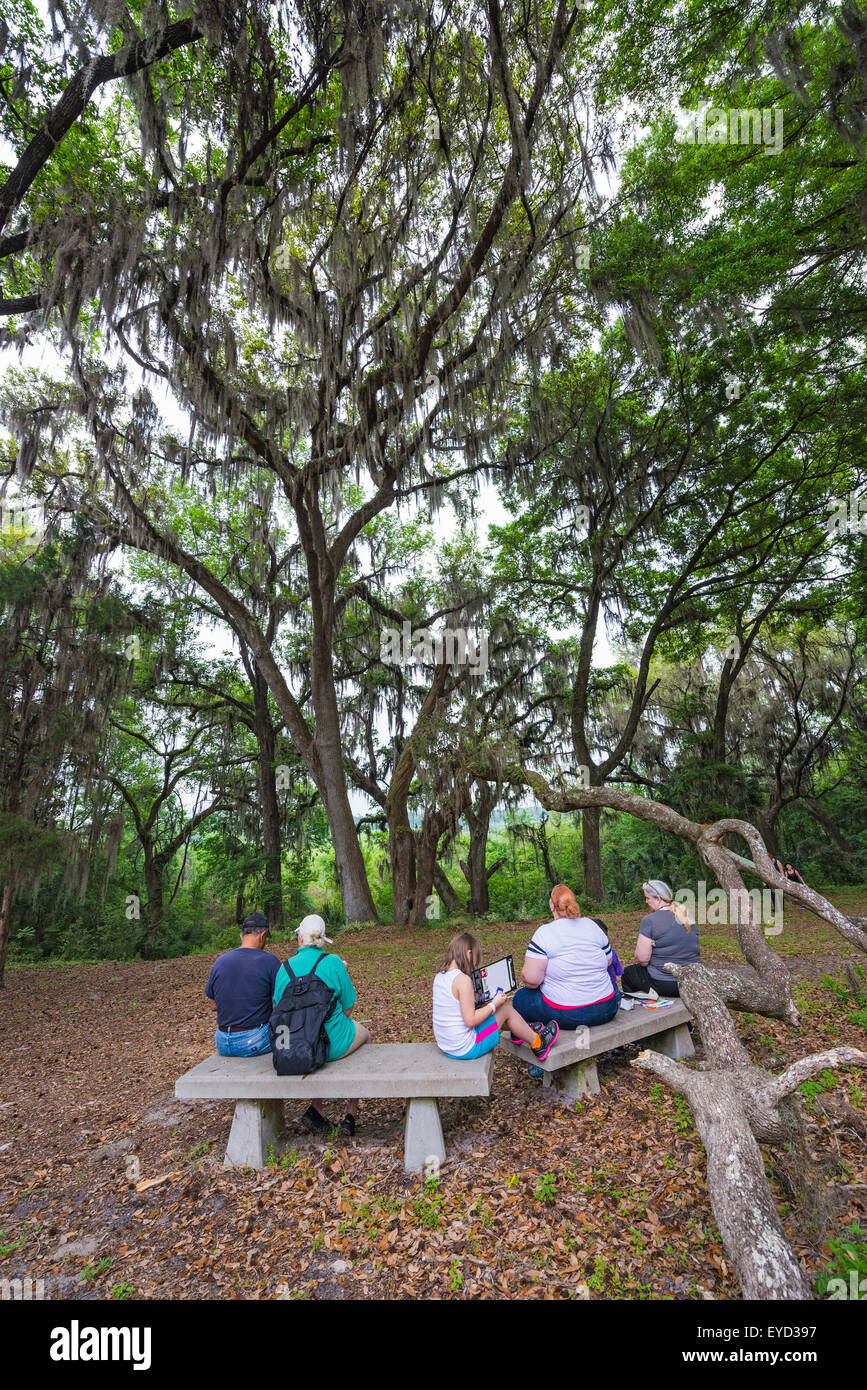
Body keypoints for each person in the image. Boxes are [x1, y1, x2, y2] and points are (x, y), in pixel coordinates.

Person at [272, 914, 371, 1137]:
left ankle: (317, 1109)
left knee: (314, 1039)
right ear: (322, 940)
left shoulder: (283, 969)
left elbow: (278, 1010)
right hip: (332, 1044)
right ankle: (351, 1114)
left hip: (295, 1044)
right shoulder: (334, 962)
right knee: (366, 1036)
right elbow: (347, 1009)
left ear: (300, 939)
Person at [433, 931, 559, 1061]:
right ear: (469, 954)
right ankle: (538, 1043)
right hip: (467, 1047)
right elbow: (470, 1021)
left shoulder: (440, 976)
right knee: (505, 1008)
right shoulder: (463, 980)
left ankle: (521, 1031)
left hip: (447, 1046)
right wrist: (494, 1004)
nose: (473, 968)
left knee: (496, 1008)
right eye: (474, 963)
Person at [511, 884, 620, 1029]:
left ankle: (536, 1036)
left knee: (521, 999)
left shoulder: (545, 933)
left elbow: (532, 980)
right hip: (607, 1007)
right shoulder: (593, 926)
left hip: (568, 1014)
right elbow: (609, 961)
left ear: (552, 906)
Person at [205, 911, 281, 1057]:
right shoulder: (270, 961)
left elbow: (214, 1005)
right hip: (254, 1040)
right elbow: (281, 1003)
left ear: (241, 936)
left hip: (222, 1042)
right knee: (287, 1028)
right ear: (263, 935)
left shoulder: (220, 961)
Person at [620, 880, 700, 998]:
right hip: (694, 980)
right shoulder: (686, 914)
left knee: (628, 973)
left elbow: (642, 960)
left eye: (647, 898)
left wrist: (652, 947)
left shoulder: (650, 920)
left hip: (667, 983)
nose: (646, 901)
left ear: (658, 898)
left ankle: (638, 1009)